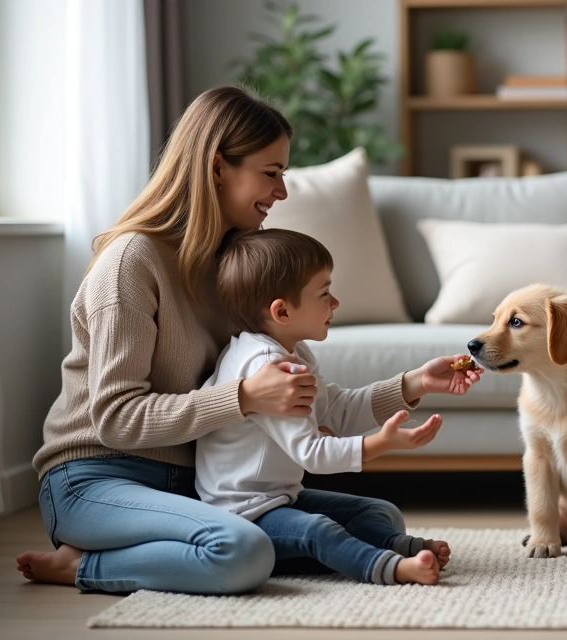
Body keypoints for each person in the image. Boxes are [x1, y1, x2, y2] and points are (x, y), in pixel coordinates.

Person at [15, 86, 441, 594]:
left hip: (196, 487)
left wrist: (411, 385)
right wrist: (242, 398)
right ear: (218, 167)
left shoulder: (234, 266)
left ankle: (186, 549)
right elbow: (115, 419)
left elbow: (322, 403)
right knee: (242, 552)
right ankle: (82, 566)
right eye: (271, 172)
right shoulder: (131, 262)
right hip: (96, 480)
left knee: (379, 516)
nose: (281, 192)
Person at [197, 228, 482, 586]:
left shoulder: (294, 351)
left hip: (280, 498)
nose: (335, 303)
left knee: (379, 512)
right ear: (282, 311)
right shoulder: (268, 368)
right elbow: (312, 454)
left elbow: (338, 410)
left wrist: (417, 382)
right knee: (318, 529)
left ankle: (391, 545)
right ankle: (390, 567)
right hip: (245, 513)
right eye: (324, 293)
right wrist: (383, 443)